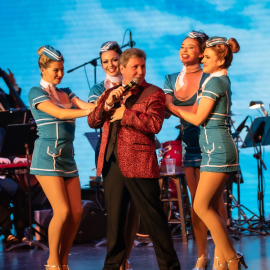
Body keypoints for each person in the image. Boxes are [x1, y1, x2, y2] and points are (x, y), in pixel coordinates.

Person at [88, 48, 180, 270]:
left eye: (143, 66)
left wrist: (125, 115)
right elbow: (92, 121)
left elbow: (155, 124)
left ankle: (170, 267)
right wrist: (108, 104)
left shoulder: (154, 93)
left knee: (154, 219)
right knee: (115, 223)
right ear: (122, 69)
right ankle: (113, 266)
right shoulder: (111, 92)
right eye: (135, 67)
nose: (140, 71)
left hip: (139, 162)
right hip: (111, 162)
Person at [166, 37, 248, 270]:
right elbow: (195, 110)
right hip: (216, 149)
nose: (202, 58)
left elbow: (197, 118)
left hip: (217, 151)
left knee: (201, 207)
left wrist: (171, 107)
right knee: (210, 206)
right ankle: (223, 260)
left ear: (221, 59)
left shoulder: (214, 83)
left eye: (208, 57)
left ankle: (231, 257)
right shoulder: (218, 80)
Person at [28, 45, 95, 270]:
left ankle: (63, 260)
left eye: (62, 69)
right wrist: (90, 112)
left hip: (67, 158)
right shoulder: (36, 93)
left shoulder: (66, 91)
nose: (60, 74)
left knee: (76, 211)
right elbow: (61, 113)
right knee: (63, 210)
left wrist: (105, 104)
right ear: (43, 69)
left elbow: (87, 106)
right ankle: (52, 263)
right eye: (55, 70)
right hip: (47, 158)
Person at [88, 41, 139, 270]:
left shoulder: (137, 84)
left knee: (135, 208)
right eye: (105, 62)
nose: (110, 65)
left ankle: (125, 260)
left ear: (123, 59)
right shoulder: (97, 89)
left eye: (114, 60)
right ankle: (115, 260)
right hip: (110, 151)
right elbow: (95, 116)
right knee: (118, 209)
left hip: (137, 149)